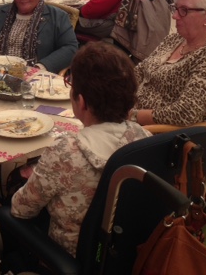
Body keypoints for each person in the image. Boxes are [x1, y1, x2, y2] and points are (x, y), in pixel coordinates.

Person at [9, 42, 150, 257]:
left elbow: (21, 209)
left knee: (12, 189)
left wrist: (41, 174)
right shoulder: (144, 139)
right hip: (126, 253)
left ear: (81, 102)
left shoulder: (65, 151)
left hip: (72, 255)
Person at [131, 0, 206, 126]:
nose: (175, 16)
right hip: (130, 113)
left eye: (184, 10)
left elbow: (185, 113)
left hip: (155, 135)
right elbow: (140, 71)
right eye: (176, 8)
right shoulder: (175, 39)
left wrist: (132, 116)